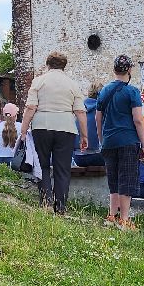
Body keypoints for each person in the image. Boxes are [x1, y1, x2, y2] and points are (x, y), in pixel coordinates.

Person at [20, 52, 88, 211]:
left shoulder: (38, 82)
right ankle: (61, 206)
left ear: (48, 65)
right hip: (66, 127)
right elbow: (80, 112)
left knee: (42, 164)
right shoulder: (72, 84)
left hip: (41, 126)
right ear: (64, 66)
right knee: (63, 168)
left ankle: (46, 201)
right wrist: (84, 135)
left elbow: (31, 107)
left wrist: (23, 130)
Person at [94, 55, 144, 230]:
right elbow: (138, 120)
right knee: (127, 179)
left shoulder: (103, 91)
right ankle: (124, 220)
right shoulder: (132, 92)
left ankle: (111, 216)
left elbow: (98, 118)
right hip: (128, 140)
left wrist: (102, 140)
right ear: (130, 70)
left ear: (114, 69)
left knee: (113, 180)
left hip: (109, 141)